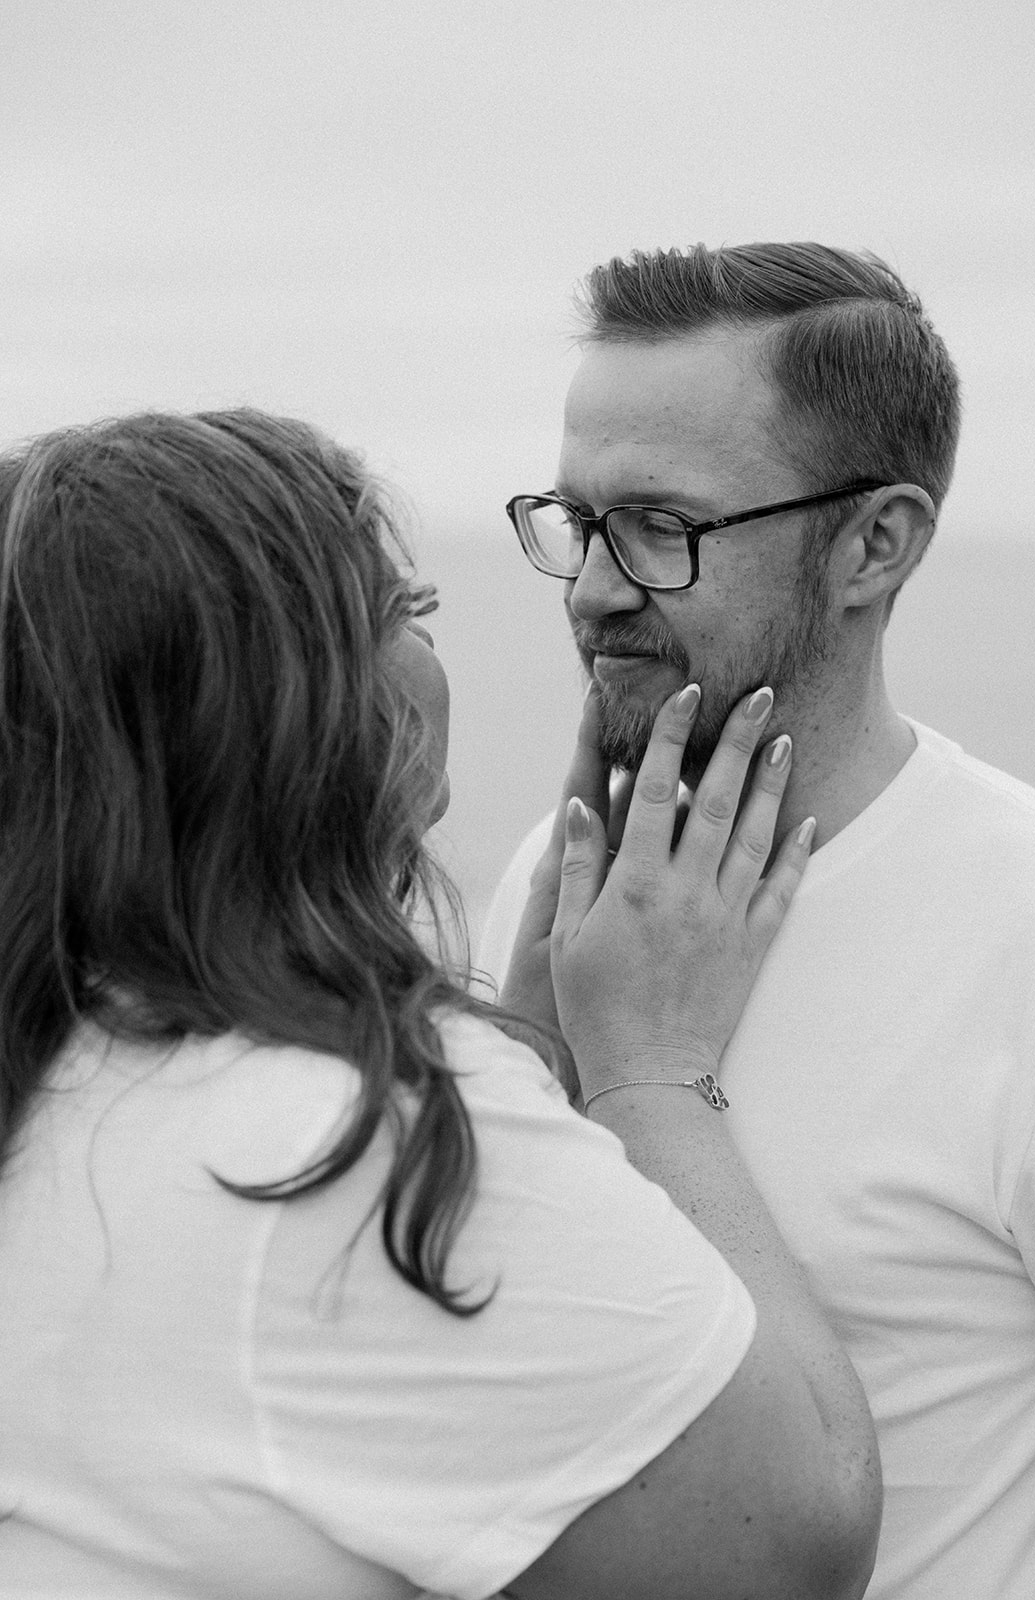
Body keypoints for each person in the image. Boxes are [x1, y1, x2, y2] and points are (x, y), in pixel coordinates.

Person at [0, 408, 880, 1600]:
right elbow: (793, 1523)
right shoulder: (351, 1142)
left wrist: (514, 1057)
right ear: (297, 704)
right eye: (404, 616)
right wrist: (647, 1067)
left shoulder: (72, 1055)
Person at [483, 241, 1035, 1600]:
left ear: (874, 542)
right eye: (573, 521)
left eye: (660, 527)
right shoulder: (549, 879)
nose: (590, 589)